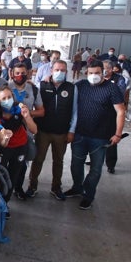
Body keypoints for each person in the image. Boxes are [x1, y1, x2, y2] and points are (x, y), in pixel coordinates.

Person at [64, 60, 125, 210]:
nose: (94, 76)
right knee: (76, 164)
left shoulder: (112, 88)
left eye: (97, 73)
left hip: (101, 137)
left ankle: (88, 195)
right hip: (79, 135)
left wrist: (117, 134)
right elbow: (65, 89)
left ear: (103, 72)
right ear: (87, 73)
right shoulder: (81, 85)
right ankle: (77, 187)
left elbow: (121, 111)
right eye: (91, 73)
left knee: (96, 169)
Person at [27, 60, 77, 200]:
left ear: (67, 72)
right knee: (38, 159)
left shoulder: (72, 88)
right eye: (57, 69)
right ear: (51, 71)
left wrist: (71, 131)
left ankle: (56, 187)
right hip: (43, 131)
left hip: (61, 133)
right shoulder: (42, 85)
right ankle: (32, 186)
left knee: (58, 161)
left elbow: (75, 112)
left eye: (63, 70)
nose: (59, 72)